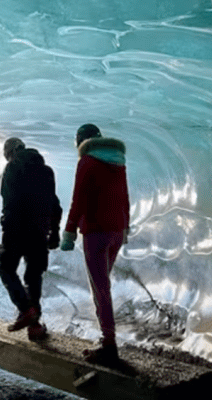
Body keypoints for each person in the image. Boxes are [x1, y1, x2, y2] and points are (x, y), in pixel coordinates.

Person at [60, 124, 129, 365]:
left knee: (100, 288)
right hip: (116, 231)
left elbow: (78, 199)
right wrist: (125, 227)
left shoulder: (87, 161)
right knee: (103, 286)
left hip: (97, 232)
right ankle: (106, 339)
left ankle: (108, 344)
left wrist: (68, 232)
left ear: (81, 140)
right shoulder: (118, 161)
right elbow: (125, 196)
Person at [0, 138, 62, 340]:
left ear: (10, 152)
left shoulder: (12, 168)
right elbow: (55, 205)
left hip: (16, 229)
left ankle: (26, 309)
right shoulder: (46, 171)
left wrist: (8, 224)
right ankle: (34, 326)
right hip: (39, 232)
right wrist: (55, 231)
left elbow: (9, 200)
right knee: (34, 276)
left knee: (5, 266)